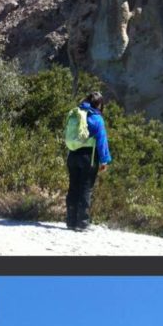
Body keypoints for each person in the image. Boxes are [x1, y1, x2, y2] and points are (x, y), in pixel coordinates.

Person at [63, 91, 112, 231]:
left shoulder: (76, 114)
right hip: (88, 157)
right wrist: (104, 161)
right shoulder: (96, 118)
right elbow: (102, 142)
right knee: (85, 189)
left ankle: (70, 221)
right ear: (99, 104)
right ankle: (82, 223)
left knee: (73, 187)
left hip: (72, 155)